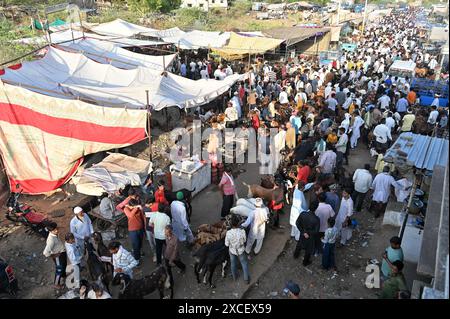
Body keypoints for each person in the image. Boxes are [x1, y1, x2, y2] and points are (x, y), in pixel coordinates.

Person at [225, 215, 250, 284]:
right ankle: (246, 279)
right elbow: (244, 240)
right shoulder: (242, 231)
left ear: (230, 224)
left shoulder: (228, 233)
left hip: (232, 251)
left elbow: (226, 244)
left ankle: (234, 277)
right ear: (238, 223)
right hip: (241, 250)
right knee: (244, 264)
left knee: (233, 264)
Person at [43, 222, 67, 290]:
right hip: (57, 256)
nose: (56, 231)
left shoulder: (55, 234)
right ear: (50, 231)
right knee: (59, 270)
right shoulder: (51, 240)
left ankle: (63, 275)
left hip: (62, 252)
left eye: (56, 229)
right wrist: (54, 255)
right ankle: (56, 284)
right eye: (54, 230)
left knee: (64, 265)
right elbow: (45, 252)